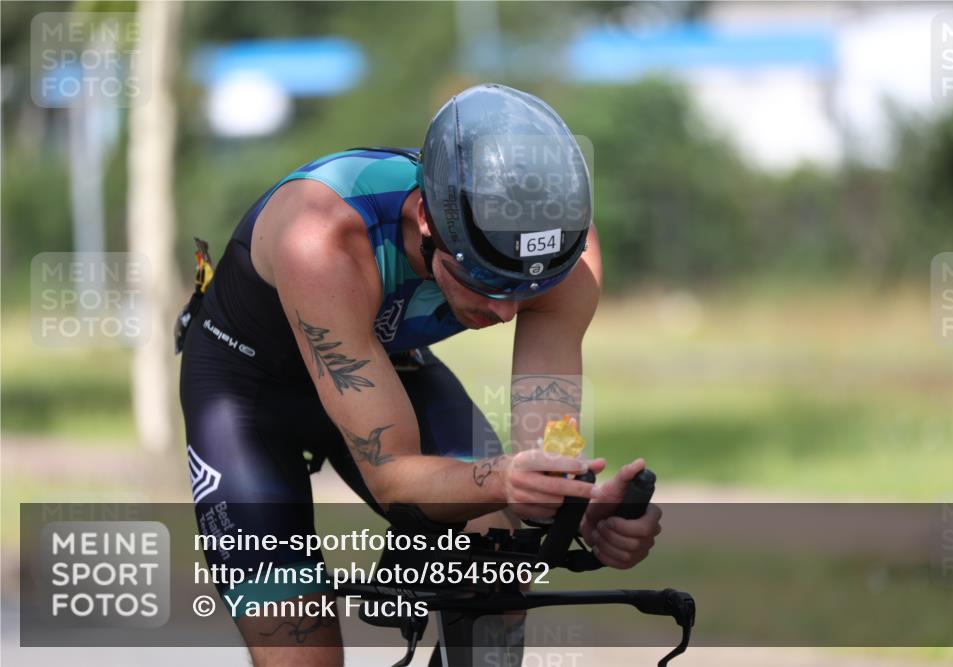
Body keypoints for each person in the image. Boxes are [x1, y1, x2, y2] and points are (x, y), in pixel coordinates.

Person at [177, 83, 662, 667]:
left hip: (386, 368)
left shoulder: (565, 257)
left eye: (525, 291)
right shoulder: (323, 236)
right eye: (485, 281)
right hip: (248, 395)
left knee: (497, 564)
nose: (507, 312)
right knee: (298, 641)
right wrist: (507, 481)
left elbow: (540, 457)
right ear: (427, 220)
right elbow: (394, 475)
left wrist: (573, 507)